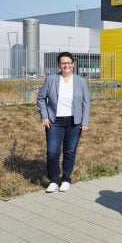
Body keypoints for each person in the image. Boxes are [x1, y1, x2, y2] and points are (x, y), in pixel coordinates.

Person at [37, 52, 90, 193]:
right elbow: (41, 99)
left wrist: (85, 121)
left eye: (68, 62)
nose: (66, 65)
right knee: (52, 152)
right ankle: (54, 180)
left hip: (74, 122)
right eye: (63, 63)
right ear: (59, 65)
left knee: (70, 151)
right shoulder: (51, 79)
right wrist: (44, 115)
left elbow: (86, 103)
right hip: (55, 122)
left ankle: (66, 179)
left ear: (73, 64)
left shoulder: (81, 81)